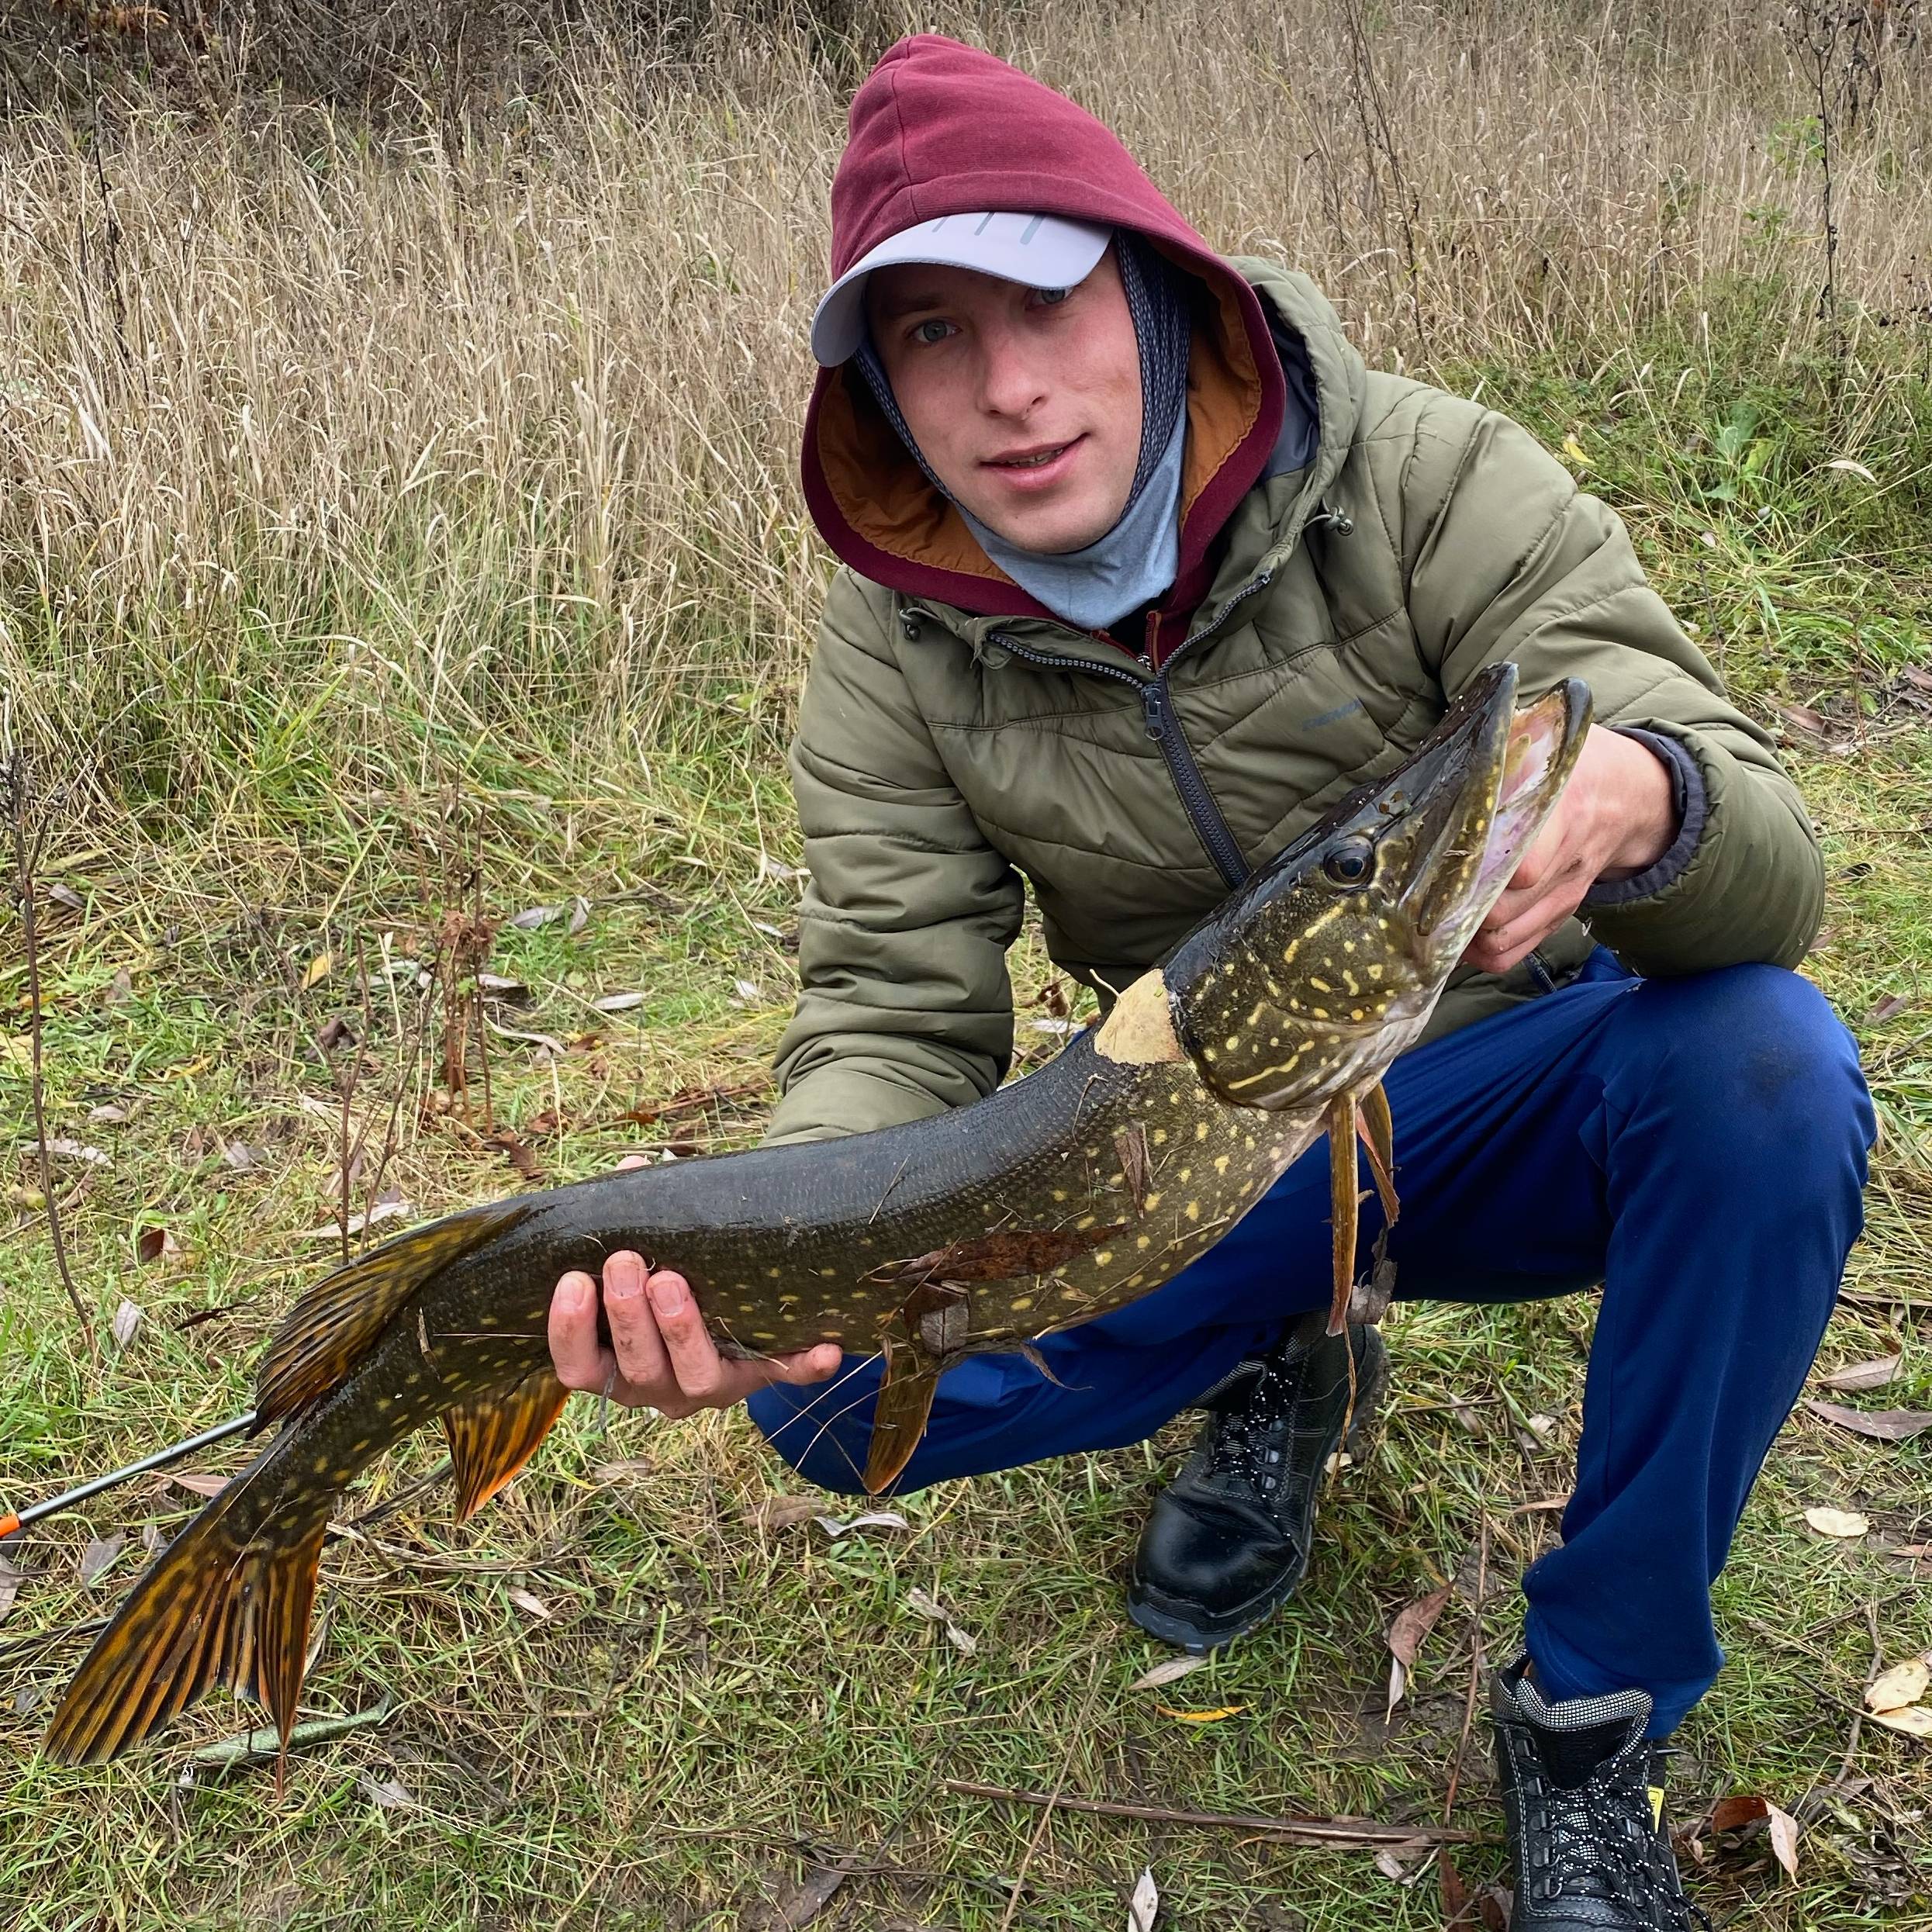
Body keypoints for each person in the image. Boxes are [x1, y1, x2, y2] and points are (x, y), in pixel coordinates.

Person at [544, 36, 1874, 1930]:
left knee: (1765, 1065)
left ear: (1152, 285)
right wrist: (775, 1242)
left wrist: (1648, 797)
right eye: (931, 336)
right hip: (1192, 1150)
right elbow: (890, 1017)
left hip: (1504, 1109)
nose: (1007, 388)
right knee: (820, 1402)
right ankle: (1280, 1355)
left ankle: (1593, 1701)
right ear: (879, 389)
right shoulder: (896, 648)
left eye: (1047, 301)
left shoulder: (1422, 475)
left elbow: (1767, 849)